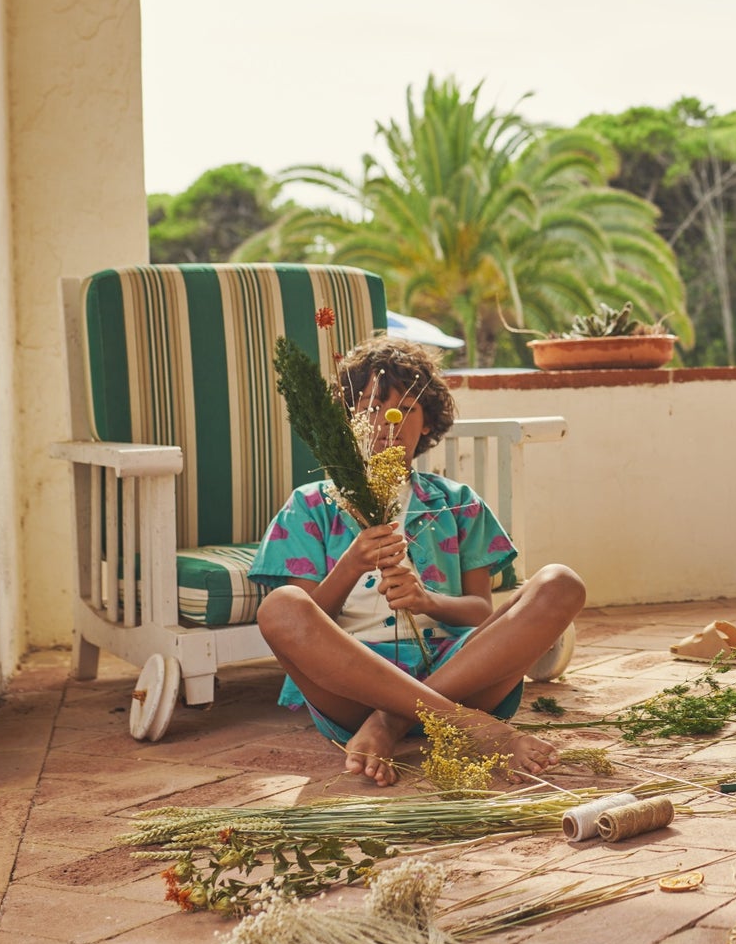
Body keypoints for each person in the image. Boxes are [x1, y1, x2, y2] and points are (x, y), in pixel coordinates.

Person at [249, 335, 585, 785]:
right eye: (370, 408)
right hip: (353, 685)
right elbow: (307, 619)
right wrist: (351, 564)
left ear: (427, 422)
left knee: (561, 584)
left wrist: (428, 600)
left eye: (405, 409)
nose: (387, 423)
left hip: (459, 671)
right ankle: (469, 727)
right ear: (348, 422)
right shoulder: (311, 505)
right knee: (279, 607)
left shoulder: (457, 503)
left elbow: (480, 611)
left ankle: (391, 722)